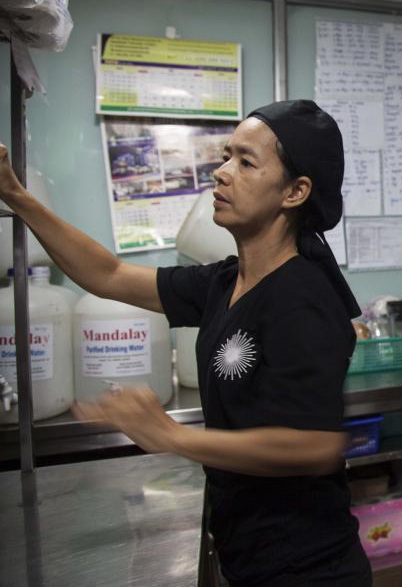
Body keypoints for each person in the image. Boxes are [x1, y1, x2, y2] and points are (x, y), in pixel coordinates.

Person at [0, 100, 372, 586]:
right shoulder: (224, 282)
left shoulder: (303, 300)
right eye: (225, 156)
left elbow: (312, 446)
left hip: (307, 567)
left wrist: (172, 436)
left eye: (245, 162)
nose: (220, 173)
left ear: (296, 191)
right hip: (248, 553)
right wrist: (16, 196)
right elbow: (107, 274)